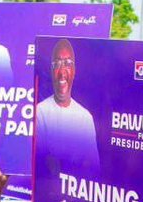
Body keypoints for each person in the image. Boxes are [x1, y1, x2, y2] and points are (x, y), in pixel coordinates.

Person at [35, 39, 100, 175]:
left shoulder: (85, 117)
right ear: (52, 71)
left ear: (74, 71)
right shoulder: (40, 112)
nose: (62, 72)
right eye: (57, 64)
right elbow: (42, 161)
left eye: (68, 64)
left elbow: (93, 166)